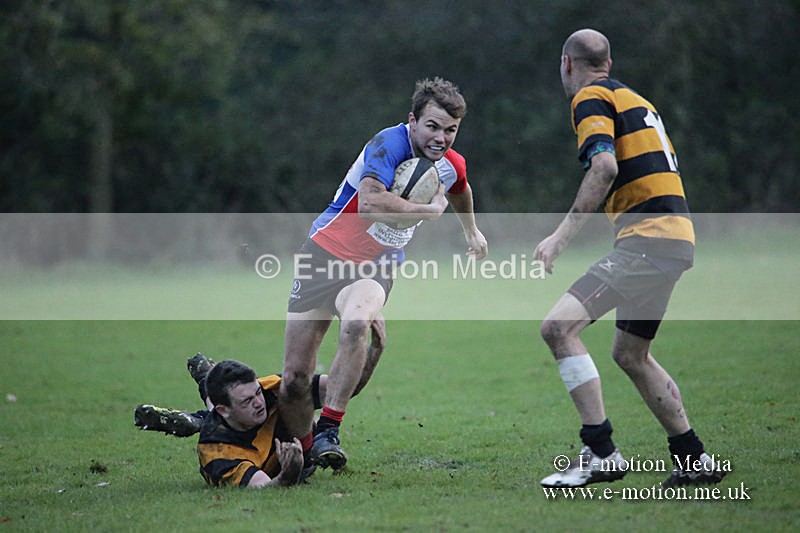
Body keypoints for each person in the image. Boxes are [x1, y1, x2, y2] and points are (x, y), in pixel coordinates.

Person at [533, 29, 725, 489]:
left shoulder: (590, 97)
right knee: (632, 353)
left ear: (566, 64)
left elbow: (604, 167)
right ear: (609, 61)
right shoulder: (637, 100)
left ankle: (600, 453)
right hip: (675, 237)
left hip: (649, 240)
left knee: (558, 328)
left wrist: (561, 237)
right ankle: (693, 459)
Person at [280, 77, 488, 471]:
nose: (441, 138)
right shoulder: (387, 144)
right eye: (432, 126)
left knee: (357, 321)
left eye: (451, 130)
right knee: (294, 380)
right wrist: (428, 212)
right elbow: (372, 203)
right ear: (412, 120)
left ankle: (328, 431)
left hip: (376, 264)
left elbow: (460, 187)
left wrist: (471, 231)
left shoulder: (449, 163)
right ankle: (304, 448)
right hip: (323, 254)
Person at [134, 320, 385, 487]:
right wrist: (290, 472)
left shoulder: (267, 389)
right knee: (217, 414)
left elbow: (343, 390)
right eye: (247, 400)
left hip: (284, 433)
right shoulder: (217, 454)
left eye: (256, 393)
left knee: (275, 398)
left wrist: (375, 350)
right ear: (225, 410)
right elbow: (266, 487)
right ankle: (202, 407)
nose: (259, 402)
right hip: (278, 458)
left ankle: (205, 383)